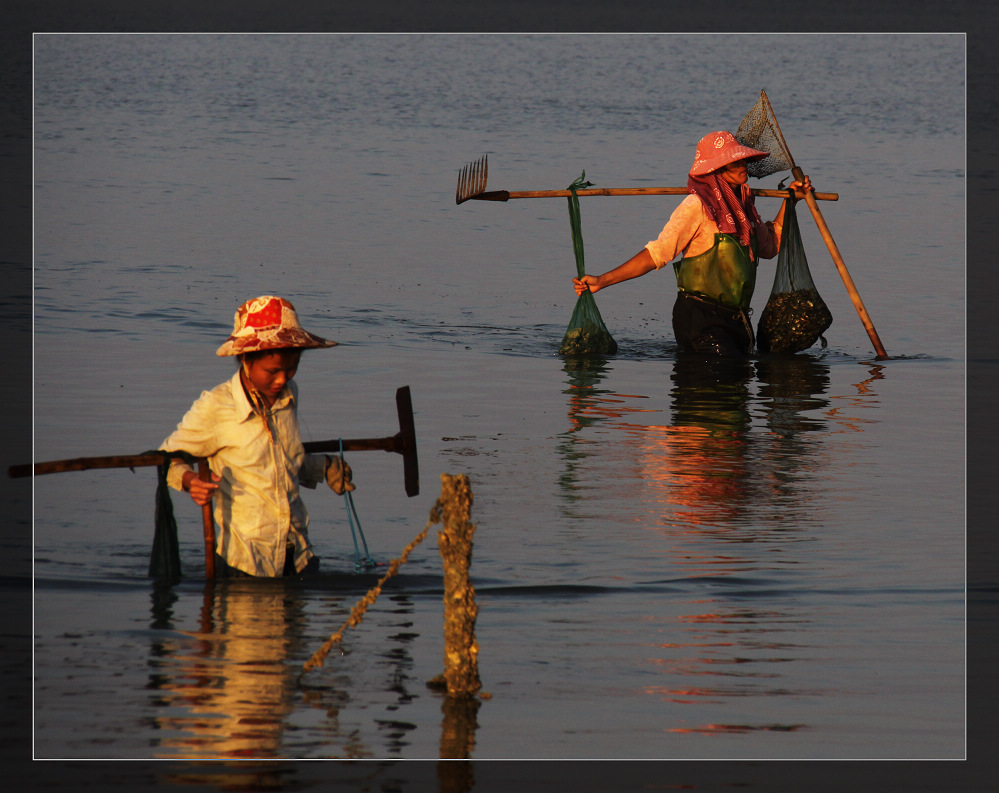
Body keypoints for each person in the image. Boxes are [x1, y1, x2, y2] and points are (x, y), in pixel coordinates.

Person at [160, 296, 354, 578]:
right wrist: (191, 481)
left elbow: (278, 462)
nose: (282, 380)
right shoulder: (216, 406)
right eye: (272, 371)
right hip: (246, 565)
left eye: (291, 368)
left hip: (299, 556)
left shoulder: (289, 394)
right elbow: (166, 459)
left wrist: (323, 466)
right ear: (245, 359)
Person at [573, 130, 813, 357]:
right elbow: (657, 254)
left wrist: (791, 201)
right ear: (717, 169)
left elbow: (770, 247)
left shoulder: (745, 209)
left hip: (737, 320)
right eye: (735, 162)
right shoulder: (696, 205)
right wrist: (602, 281)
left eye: (744, 161)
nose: (743, 167)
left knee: (735, 392)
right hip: (699, 317)